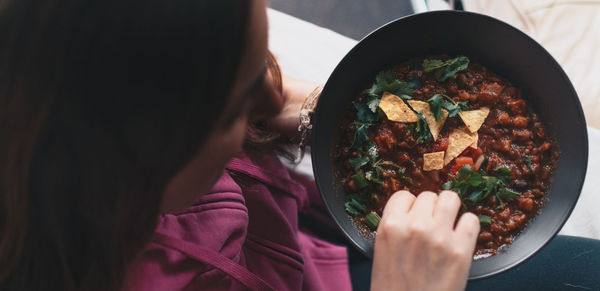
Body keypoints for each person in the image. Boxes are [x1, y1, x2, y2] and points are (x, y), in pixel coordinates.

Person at [0, 0, 481, 290]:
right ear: (132, 168)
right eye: (235, 109)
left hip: (304, 252)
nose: (274, 97)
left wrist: (331, 118)